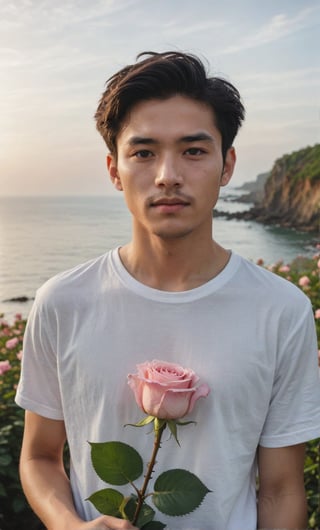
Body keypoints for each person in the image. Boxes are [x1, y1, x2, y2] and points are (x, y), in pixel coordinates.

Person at [16, 51, 320, 530]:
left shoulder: (281, 309)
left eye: (194, 151)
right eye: (144, 152)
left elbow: (281, 489)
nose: (167, 176)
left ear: (227, 164)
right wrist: (69, 526)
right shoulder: (63, 301)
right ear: (114, 169)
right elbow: (39, 458)